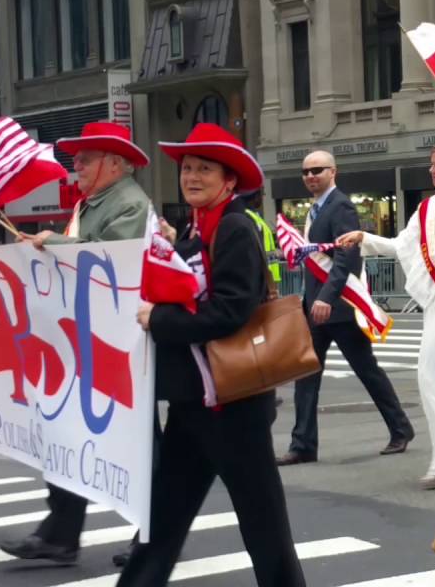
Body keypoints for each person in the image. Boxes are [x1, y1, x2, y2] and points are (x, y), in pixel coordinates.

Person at [124, 123, 305, 586]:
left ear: (228, 181)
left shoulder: (235, 228)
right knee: (161, 522)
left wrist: (157, 321)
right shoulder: (197, 225)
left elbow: (230, 311)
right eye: (187, 168)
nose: (192, 176)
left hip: (234, 406)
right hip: (194, 402)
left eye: (205, 168)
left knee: (263, 527)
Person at [1, 122, 150, 566]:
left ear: (113, 163)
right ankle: (62, 532)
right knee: (65, 429)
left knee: (142, 441)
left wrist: (55, 244)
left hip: (118, 342)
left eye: (85, 158)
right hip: (88, 339)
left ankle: (144, 535)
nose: (76, 165)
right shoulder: (98, 202)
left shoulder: (130, 203)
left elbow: (111, 262)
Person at [335, 139, 435, 489]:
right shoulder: (427, 208)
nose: (432, 170)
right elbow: (402, 245)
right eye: (432, 164)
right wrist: (365, 237)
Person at [279, 150, 414, 465]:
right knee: (306, 374)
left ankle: (400, 427)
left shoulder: (340, 206)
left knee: (366, 370)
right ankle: (303, 445)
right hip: (315, 308)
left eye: (317, 170)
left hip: (338, 308)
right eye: (306, 172)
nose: (310, 176)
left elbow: (346, 257)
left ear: (332, 172)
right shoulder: (315, 209)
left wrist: (327, 296)